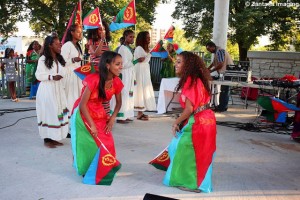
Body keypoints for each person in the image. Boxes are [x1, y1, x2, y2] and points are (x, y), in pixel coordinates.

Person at [161, 51, 216, 193]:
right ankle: (196, 182)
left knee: (186, 150)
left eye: (179, 62)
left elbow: (189, 109)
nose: (175, 64)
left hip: (199, 122)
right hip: (207, 119)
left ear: (188, 65)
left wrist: (176, 122)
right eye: (176, 61)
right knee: (198, 151)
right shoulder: (197, 80)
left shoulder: (190, 81)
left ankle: (192, 184)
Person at [71, 51, 123, 178]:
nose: (121, 66)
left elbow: (119, 103)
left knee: (107, 142)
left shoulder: (116, 81)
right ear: (107, 65)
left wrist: (112, 119)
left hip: (99, 113)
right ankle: (87, 169)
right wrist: (92, 125)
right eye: (117, 64)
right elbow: (83, 105)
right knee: (88, 143)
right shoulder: (94, 79)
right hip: (83, 114)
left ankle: (103, 167)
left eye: (121, 64)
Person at [35, 35, 68, 148]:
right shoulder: (43, 59)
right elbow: (38, 75)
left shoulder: (58, 59)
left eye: (60, 43)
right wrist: (51, 77)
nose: (60, 45)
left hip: (58, 89)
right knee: (48, 113)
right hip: (47, 90)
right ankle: (47, 139)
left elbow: (64, 71)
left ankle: (54, 137)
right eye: (57, 43)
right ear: (50, 46)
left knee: (56, 112)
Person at [87, 21, 112, 116]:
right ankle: (96, 116)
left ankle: (106, 116)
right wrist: (101, 40)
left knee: (106, 94)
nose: (102, 31)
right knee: (96, 94)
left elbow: (108, 55)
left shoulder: (105, 42)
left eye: (104, 29)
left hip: (105, 71)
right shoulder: (91, 41)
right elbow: (95, 54)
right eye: (100, 29)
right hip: (96, 71)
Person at [111, 30, 135, 124]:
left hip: (130, 73)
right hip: (124, 74)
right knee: (124, 93)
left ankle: (126, 114)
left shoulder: (129, 48)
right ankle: (120, 116)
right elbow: (123, 64)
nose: (132, 39)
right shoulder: (122, 48)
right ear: (125, 37)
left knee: (129, 94)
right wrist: (136, 61)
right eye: (130, 37)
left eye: (133, 37)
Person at [61, 25, 83, 123]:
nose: (80, 34)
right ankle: (67, 125)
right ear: (72, 33)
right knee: (70, 99)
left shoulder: (77, 46)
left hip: (77, 75)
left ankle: (74, 123)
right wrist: (73, 59)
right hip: (69, 75)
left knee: (76, 99)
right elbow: (62, 62)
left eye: (81, 32)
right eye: (78, 32)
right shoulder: (67, 45)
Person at [134, 31, 156, 120]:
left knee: (144, 89)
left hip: (145, 70)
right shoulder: (139, 48)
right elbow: (142, 60)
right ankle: (139, 112)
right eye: (147, 37)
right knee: (140, 90)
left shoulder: (145, 48)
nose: (149, 39)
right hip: (140, 70)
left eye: (149, 37)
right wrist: (150, 54)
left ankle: (141, 112)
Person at [206, 41, 233, 112]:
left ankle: (222, 107)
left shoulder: (220, 51)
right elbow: (214, 62)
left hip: (227, 73)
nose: (209, 51)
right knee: (224, 90)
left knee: (224, 91)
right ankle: (222, 106)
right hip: (224, 73)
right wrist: (208, 68)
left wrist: (210, 71)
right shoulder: (216, 52)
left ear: (213, 47)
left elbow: (220, 64)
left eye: (209, 49)